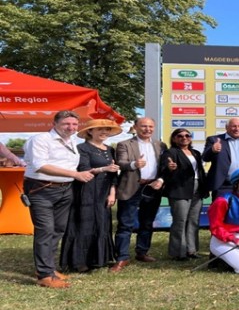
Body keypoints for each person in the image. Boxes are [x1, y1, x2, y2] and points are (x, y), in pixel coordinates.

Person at [23, 110, 94, 288]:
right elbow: (41, 166)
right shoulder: (40, 140)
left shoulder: (73, 141)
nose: (71, 127)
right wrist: (75, 174)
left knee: (58, 230)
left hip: (65, 189)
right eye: (66, 124)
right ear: (55, 124)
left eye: (74, 124)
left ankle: (48, 268)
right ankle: (44, 276)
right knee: (45, 230)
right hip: (41, 189)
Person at [60, 119, 121, 273]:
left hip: (104, 191)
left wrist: (112, 193)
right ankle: (80, 262)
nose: (104, 132)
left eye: (107, 129)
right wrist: (104, 168)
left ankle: (98, 258)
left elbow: (114, 175)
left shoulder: (110, 149)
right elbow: (84, 169)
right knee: (84, 223)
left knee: (102, 223)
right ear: (90, 131)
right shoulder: (82, 148)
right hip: (86, 190)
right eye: (100, 129)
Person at [111, 117, 167, 272]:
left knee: (147, 223)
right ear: (135, 127)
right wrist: (134, 164)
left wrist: (162, 178)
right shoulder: (125, 144)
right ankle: (122, 258)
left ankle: (142, 252)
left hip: (152, 188)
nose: (147, 129)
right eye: (143, 126)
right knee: (125, 224)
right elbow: (120, 163)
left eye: (150, 126)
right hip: (131, 188)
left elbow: (163, 167)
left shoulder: (160, 145)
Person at [159, 128, 208, 261]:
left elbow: (200, 171)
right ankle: (178, 252)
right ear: (174, 139)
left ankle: (191, 250)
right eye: (180, 136)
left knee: (193, 220)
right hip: (179, 189)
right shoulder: (171, 152)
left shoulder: (196, 153)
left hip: (198, 188)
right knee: (180, 221)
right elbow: (163, 170)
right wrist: (170, 168)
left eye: (187, 135)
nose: (184, 138)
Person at [202, 117, 239, 201]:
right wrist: (212, 150)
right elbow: (205, 158)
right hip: (223, 184)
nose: (237, 129)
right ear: (226, 127)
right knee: (220, 212)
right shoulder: (214, 140)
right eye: (234, 126)